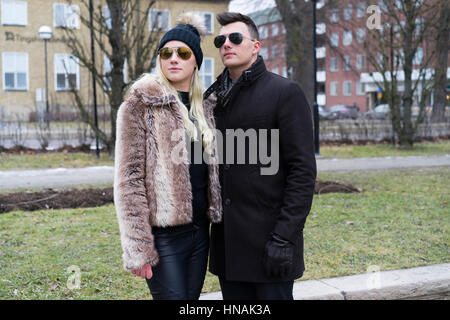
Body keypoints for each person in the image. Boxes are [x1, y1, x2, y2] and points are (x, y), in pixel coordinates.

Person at [204, 12, 317, 300]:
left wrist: (283, 236)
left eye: (236, 38)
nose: (226, 44)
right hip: (228, 248)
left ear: (256, 46)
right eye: (221, 39)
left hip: (270, 245)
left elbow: (302, 172)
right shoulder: (212, 98)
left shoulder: (284, 92)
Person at [114, 12, 222, 300]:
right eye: (166, 53)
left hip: (201, 233)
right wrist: (138, 247)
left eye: (183, 52)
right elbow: (129, 180)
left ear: (195, 60)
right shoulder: (140, 104)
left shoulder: (207, 109)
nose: (174, 58)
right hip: (164, 238)